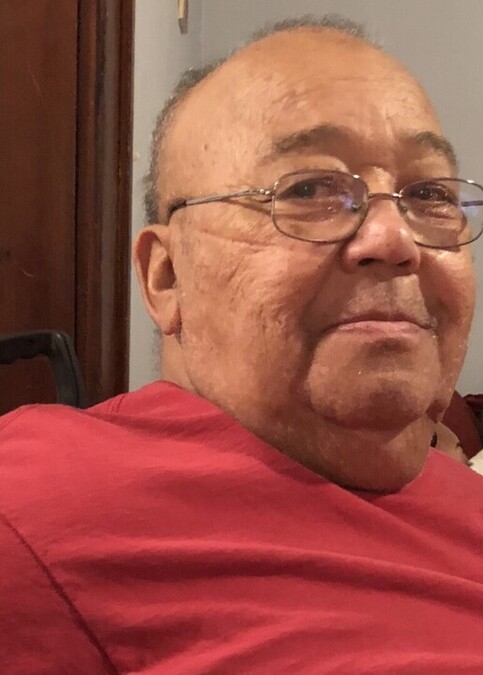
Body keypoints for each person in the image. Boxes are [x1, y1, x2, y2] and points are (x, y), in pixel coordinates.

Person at [1, 15, 483, 673]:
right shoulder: (37, 512)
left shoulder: (456, 490)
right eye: (309, 189)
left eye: (428, 194)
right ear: (167, 276)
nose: (396, 239)